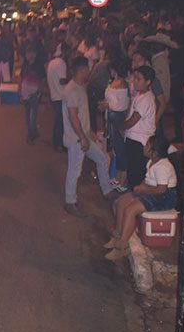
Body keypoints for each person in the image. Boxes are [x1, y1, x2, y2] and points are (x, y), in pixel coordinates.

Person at [104, 137, 177, 261]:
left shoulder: (163, 166)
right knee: (120, 203)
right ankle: (118, 235)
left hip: (164, 197)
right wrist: (140, 188)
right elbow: (147, 179)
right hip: (151, 189)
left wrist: (142, 191)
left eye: (147, 145)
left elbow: (162, 190)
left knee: (130, 210)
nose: (144, 147)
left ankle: (122, 246)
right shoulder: (151, 161)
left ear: (155, 152)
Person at [62, 57, 114, 218]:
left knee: (102, 159)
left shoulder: (79, 87)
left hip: (83, 136)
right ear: (83, 70)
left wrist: (89, 131)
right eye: (88, 69)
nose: (90, 72)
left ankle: (107, 191)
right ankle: (70, 201)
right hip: (77, 139)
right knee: (75, 170)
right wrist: (82, 137)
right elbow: (73, 117)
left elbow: (81, 115)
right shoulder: (72, 90)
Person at [119, 66, 157, 189]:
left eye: (138, 79)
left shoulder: (146, 99)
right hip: (134, 138)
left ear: (148, 82)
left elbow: (133, 120)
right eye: (135, 78)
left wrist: (121, 127)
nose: (135, 81)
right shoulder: (140, 95)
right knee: (134, 170)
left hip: (139, 140)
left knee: (136, 173)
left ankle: (135, 195)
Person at [103, 60, 131, 191]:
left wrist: (106, 105)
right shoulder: (124, 83)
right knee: (118, 149)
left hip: (116, 117)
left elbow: (116, 105)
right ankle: (119, 178)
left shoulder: (118, 84)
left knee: (120, 149)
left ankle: (122, 180)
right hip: (117, 116)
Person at [19, 45, 43, 145]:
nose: (28, 55)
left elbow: (42, 80)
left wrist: (39, 92)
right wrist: (19, 91)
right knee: (27, 116)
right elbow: (21, 78)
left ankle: (30, 136)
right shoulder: (25, 65)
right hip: (25, 94)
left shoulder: (39, 66)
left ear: (35, 54)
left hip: (34, 95)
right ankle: (33, 132)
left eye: (30, 53)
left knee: (32, 117)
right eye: (27, 53)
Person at [47, 44, 69, 151]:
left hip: (54, 95)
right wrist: (71, 79)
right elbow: (62, 80)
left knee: (58, 121)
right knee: (60, 122)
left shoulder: (51, 62)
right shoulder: (61, 63)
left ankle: (57, 142)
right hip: (60, 96)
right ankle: (59, 143)